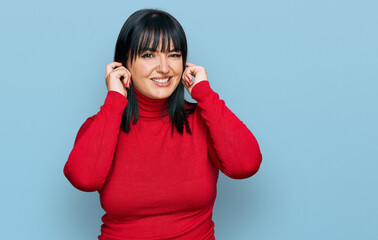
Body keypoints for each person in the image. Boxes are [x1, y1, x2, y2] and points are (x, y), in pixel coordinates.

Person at [63, 8, 262, 240]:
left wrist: (205, 95)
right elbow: (83, 179)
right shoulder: (103, 124)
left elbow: (246, 165)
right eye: (148, 55)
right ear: (123, 64)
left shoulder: (205, 120)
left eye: (174, 55)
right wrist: (115, 100)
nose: (165, 68)